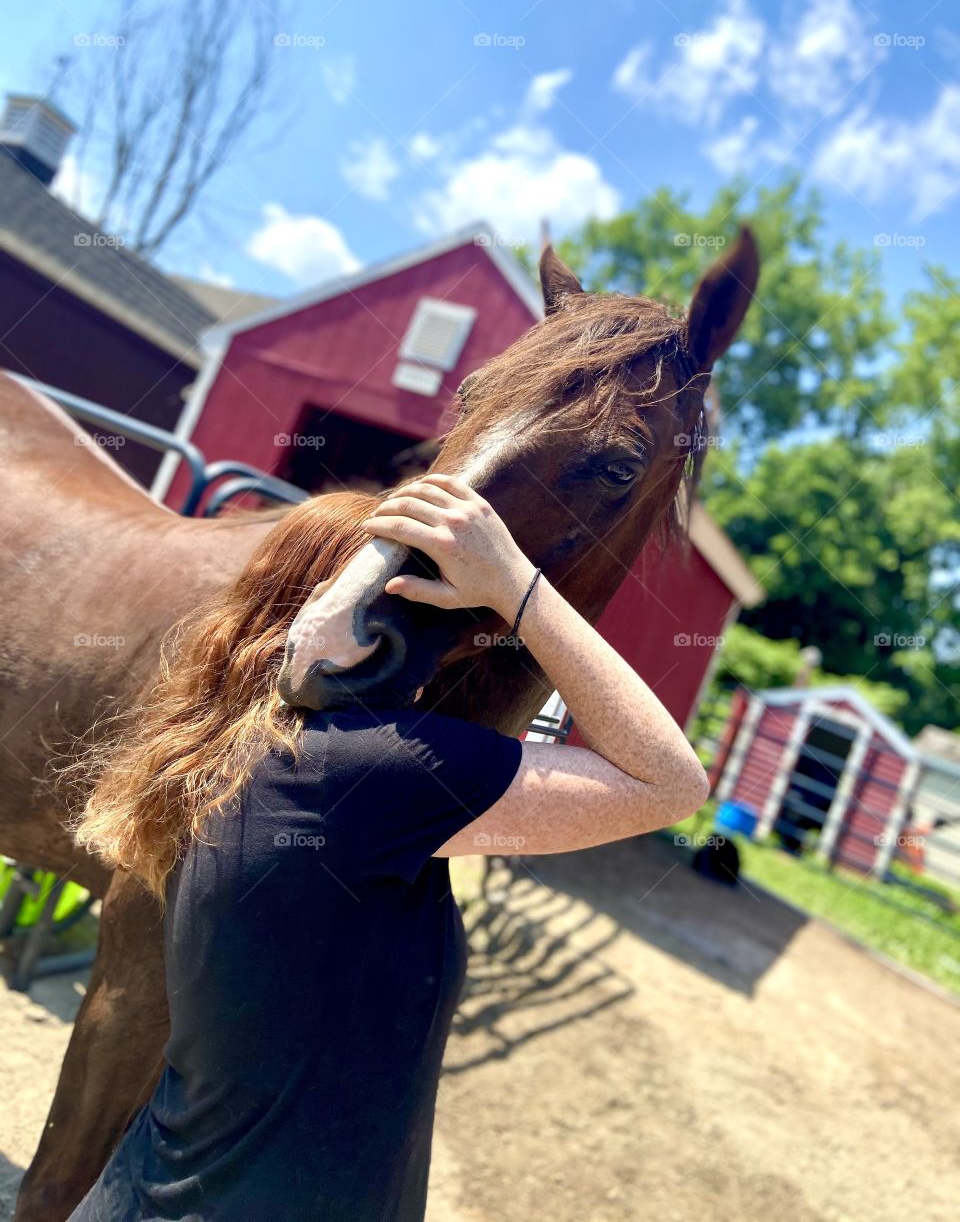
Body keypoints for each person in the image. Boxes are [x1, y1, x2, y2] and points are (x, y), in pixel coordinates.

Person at [70, 474, 708, 1222]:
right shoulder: (372, 772)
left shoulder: (228, 759)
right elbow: (670, 783)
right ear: (375, 626)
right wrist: (516, 588)